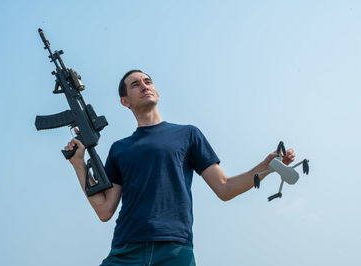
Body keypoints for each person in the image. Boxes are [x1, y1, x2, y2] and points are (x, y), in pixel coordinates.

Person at [64, 70, 296, 266]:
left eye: (148, 82)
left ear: (157, 91)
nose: (144, 86)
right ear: (125, 101)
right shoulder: (119, 149)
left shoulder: (188, 134)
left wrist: (267, 166)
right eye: (135, 85)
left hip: (174, 250)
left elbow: (225, 189)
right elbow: (104, 210)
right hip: (126, 250)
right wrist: (78, 165)